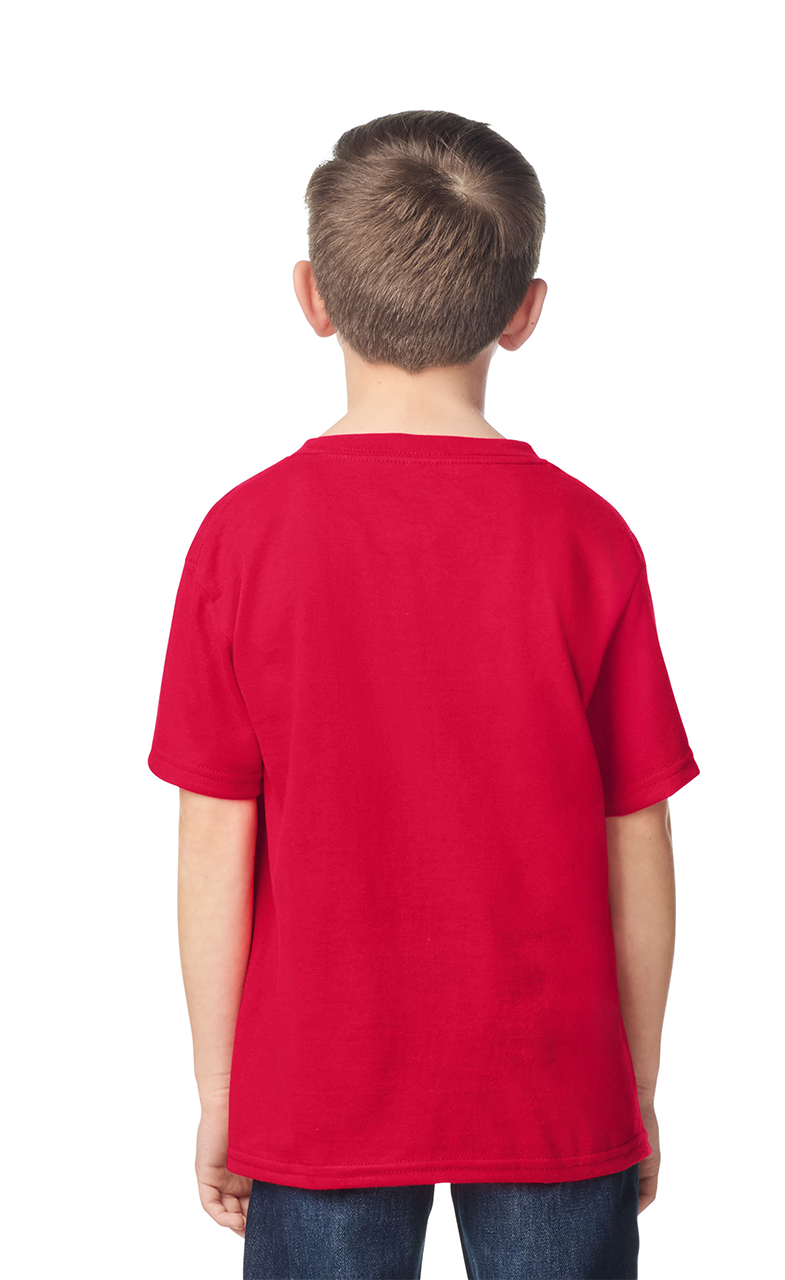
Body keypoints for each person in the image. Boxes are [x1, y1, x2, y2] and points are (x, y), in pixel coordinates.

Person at [148, 109, 700, 1280]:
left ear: (312, 296)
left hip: (317, 1081)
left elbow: (213, 836)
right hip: (551, 1081)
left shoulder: (242, 538)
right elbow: (637, 832)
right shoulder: (587, 538)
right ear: (524, 311)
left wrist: (221, 1091)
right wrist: (638, 1082)